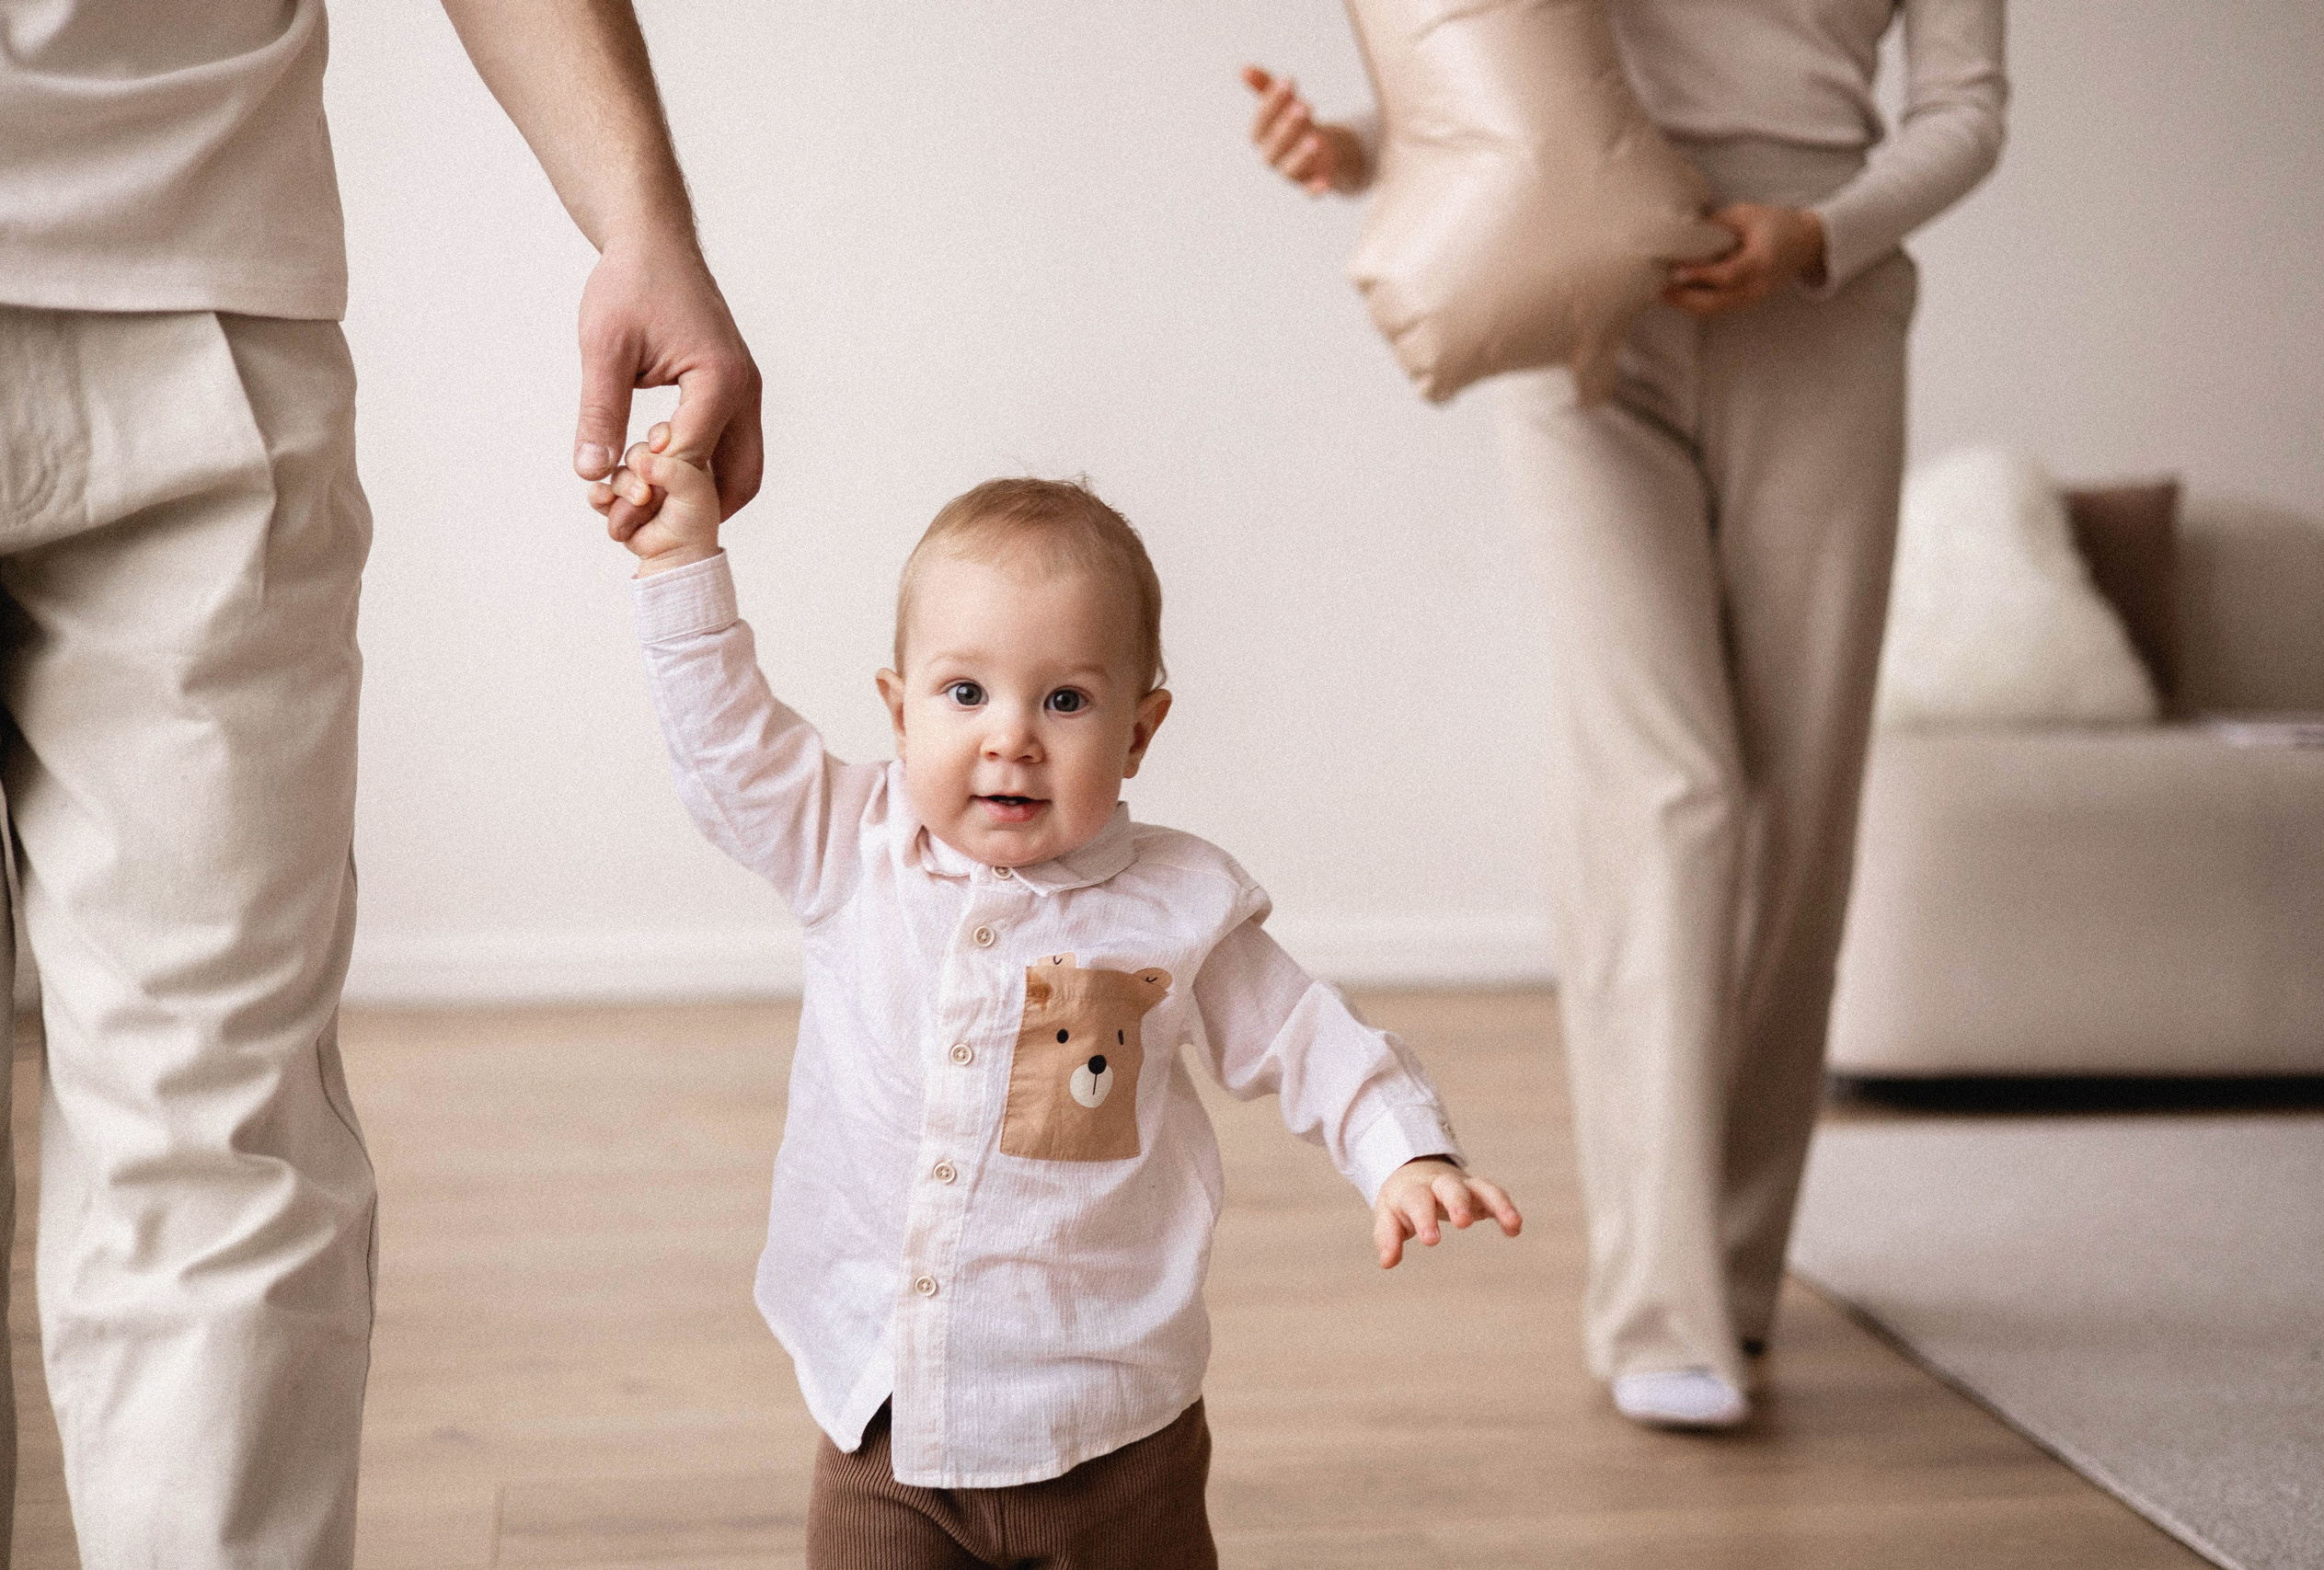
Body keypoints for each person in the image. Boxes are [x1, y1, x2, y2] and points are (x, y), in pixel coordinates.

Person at [0, 2, 758, 1562]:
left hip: (196, 295)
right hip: (191, 287)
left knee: (218, 1142)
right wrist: (636, 218)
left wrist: (641, 221)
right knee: (214, 1145)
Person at [1242, 0, 2006, 1429]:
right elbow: (1511, 70)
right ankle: (1660, 1304)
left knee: (1798, 805)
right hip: (1575, 297)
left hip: (1823, 316)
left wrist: (1817, 232)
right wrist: (1353, 148)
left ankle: (1730, 1271)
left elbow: (1967, 111)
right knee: (1667, 789)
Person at [604, 435, 1521, 1568]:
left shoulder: (1177, 903)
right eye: (964, 691)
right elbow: (727, 746)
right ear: (898, 711)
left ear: (1139, 731)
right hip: (883, 1424)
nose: (1011, 738)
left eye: (1067, 700)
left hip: (1113, 1437)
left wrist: (1404, 1155)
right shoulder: (847, 846)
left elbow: (1303, 1035)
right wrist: (679, 561)